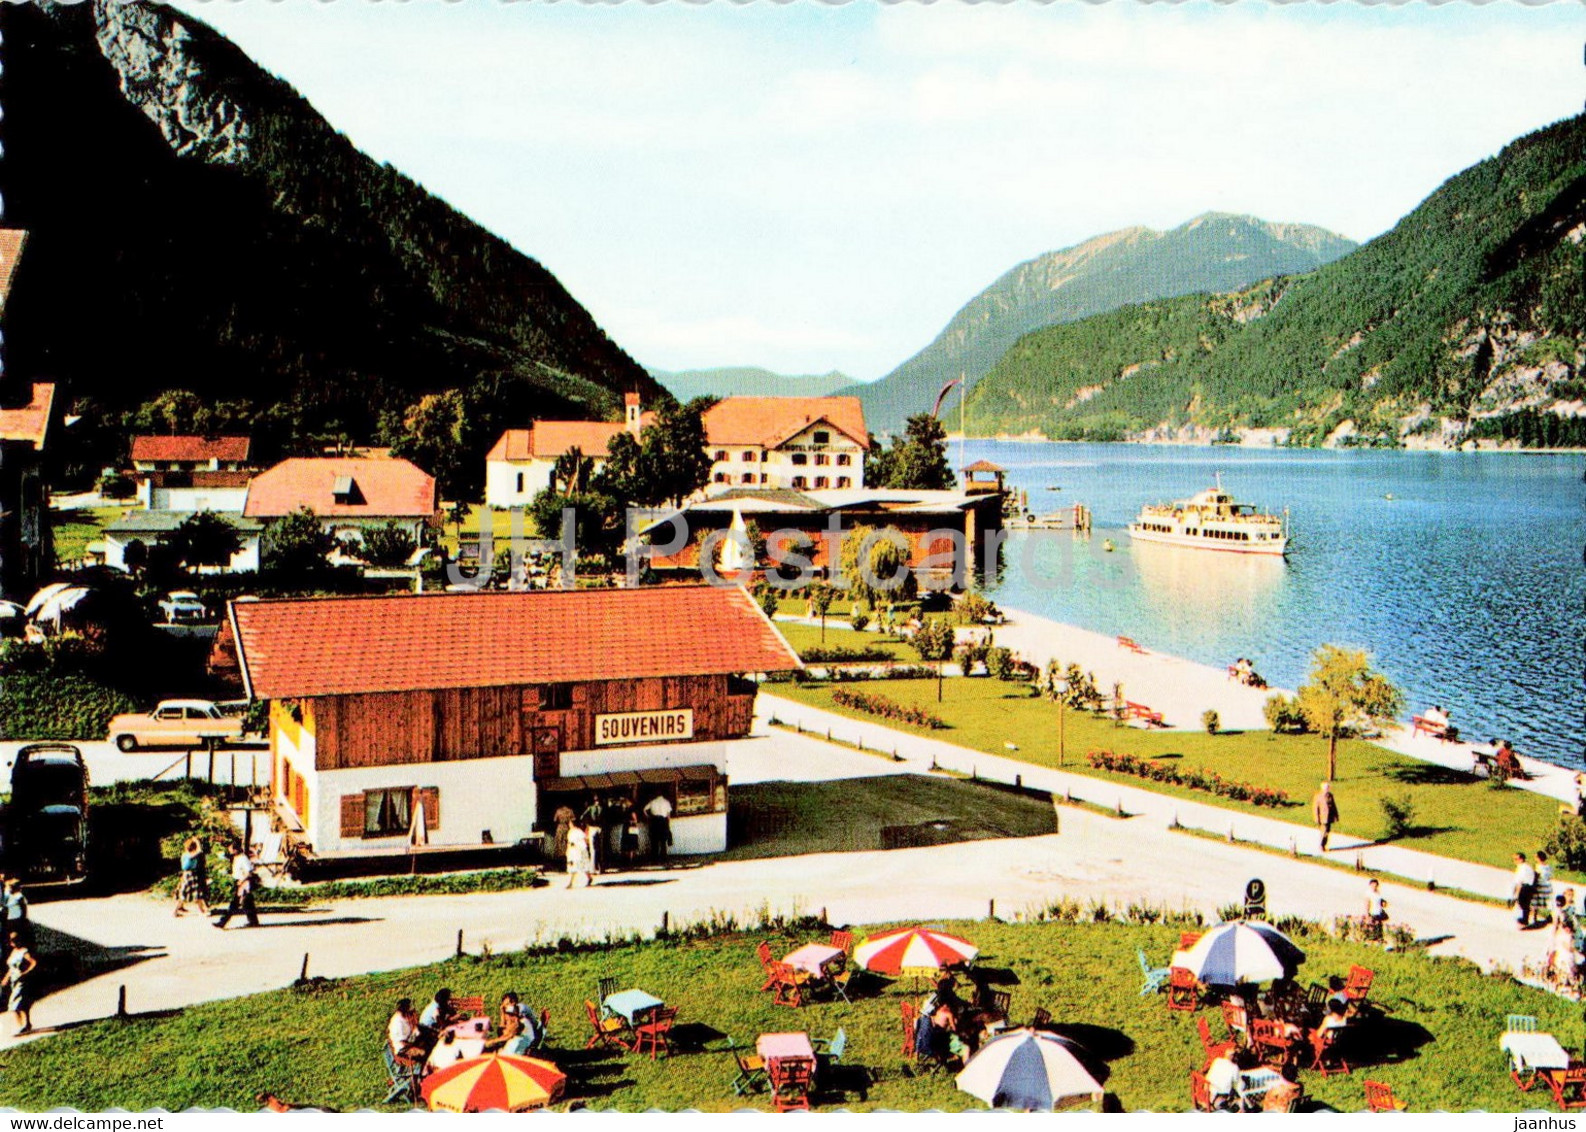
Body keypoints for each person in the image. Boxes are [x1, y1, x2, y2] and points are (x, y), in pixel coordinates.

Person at [213, 844, 259, 929]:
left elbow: (249, 873)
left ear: (236, 850)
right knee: (247, 904)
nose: (230, 852)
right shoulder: (236, 858)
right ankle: (253, 921)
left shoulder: (243, 858)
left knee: (234, 904)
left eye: (231, 850)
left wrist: (242, 881)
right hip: (239, 882)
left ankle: (222, 922)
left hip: (243, 883)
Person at [175, 836, 210, 918]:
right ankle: (201, 911)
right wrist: (197, 841)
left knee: (183, 893)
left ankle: (177, 910)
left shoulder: (185, 854)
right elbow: (200, 851)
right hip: (191, 875)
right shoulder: (191, 855)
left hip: (186, 874)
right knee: (196, 894)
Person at [565, 820, 595, 889]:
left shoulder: (571, 832)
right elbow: (585, 840)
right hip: (582, 850)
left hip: (575, 851)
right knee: (584, 865)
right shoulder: (580, 831)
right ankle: (588, 877)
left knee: (574, 866)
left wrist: (568, 850)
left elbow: (570, 842)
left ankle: (571, 883)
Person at [644, 793, 673, 862]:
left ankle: (654, 858)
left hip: (654, 821)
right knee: (663, 841)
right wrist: (668, 824)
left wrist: (648, 817)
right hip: (663, 821)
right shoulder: (666, 802)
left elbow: (644, 809)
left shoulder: (652, 801)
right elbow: (668, 815)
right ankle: (664, 857)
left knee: (654, 840)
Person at [580, 796, 606, 874]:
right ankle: (598, 867)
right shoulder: (601, 808)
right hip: (598, 828)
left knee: (594, 849)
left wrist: (587, 824)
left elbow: (582, 817)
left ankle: (594, 867)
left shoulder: (590, 808)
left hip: (594, 828)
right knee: (599, 849)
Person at [1311, 782, 1338, 853]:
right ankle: (1322, 845)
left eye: (1328, 788)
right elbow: (1315, 808)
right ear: (1322, 788)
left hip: (1329, 817)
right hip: (1322, 817)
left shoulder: (1330, 795)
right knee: (1324, 831)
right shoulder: (1318, 796)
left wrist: (1336, 815)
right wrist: (1316, 818)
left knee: (1327, 832)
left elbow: (1334, 806)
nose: (1327, 789)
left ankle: (1324, 845)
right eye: (1326, 788)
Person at [1514, 852, 1538, 929]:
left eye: (1516, 859)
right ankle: (1525, 919)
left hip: (1524, 887)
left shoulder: (1521, 868)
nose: (1515, 861)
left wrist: (1517, 894)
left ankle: (1524, 920)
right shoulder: (1528, 867)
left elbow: (1519, 882)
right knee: (1526, 905)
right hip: (1531, 887)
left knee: (1522, 903)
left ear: (1521, 859)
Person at [1535, 850, 1556, 925]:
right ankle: (1551, 916)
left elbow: (1537, 876)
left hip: (1540, 885)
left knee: (1536, 901)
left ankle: (1535, 917)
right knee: (1548, 901)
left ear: (1539, 858)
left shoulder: (1538, 866)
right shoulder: (1548, 867)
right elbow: (1550, 876)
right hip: (1548, 885)